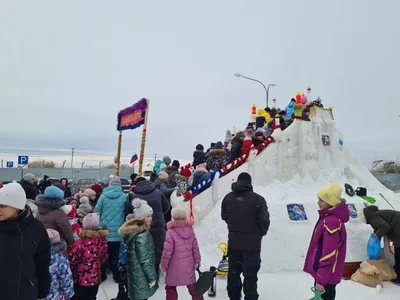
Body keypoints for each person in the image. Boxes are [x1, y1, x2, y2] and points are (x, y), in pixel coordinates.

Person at [221, 172, 270, 300]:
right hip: (252, 245)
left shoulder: (228, 198)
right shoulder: (258, 199)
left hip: (234, 243)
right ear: (250, 183)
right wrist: (259, 233)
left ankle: (234, 296)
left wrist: (235, 227)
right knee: (250, 276)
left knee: (233, 274)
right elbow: (264, 221)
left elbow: (224, 216)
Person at [0, 183, 51, 300]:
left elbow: (42, 263)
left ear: (17, 206)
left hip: (23, 292)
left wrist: (42, 291)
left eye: (3, 206)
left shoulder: (35, 228)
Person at [303, 184, 349, 300]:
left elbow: (329, 253)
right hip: (326, 274)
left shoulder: (331, 223)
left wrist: (321, 279)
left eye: (322, 200)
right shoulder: (329, 219)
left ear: (331, 203)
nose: (318, 203)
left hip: (326, 276)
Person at [118, 199, 159, 300]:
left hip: (135, 274)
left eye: (151, 215)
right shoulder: (142, 235)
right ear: (141, 217)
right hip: (141, 276)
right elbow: (145, 259)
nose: (151, 218)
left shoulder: (135, 231)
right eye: (148, 216)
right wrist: (152, 277)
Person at [130, 179, 171, 277]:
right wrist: (159, 214)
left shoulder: (134, 196)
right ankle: (155, 270)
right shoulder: (158, 193)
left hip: (141, 225)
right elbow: (167, 206)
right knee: (157, 247)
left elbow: (130, 211)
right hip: (158, 224)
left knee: (143, 247)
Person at [161, 208, 203, 300]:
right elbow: (195, 247)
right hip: (188, 265)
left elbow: (167, 251)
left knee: (170, 288)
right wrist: (197, 261)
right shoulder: (190, 229)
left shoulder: (170, 232)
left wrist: (164, 265)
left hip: (173, 267)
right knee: (194, 289)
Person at [94, 176, 127, 282]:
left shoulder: (103, 196)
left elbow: (97, 212)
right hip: (119, 231)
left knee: (103, 255)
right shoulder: (124, 196)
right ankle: (117, 276)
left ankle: (102, 275)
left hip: (105, 231)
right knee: (117, 255)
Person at [69, 213, 109, 300]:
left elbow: (73, 260)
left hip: (80, 278)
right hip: (96, 276)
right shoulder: (103, 240)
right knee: (92, 296)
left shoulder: (80, 242)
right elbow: (104, 257)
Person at [358, 205, 400, 284]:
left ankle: (399, 276)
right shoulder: (378, 214)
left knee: (399, 253)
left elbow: (385, 227)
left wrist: (377, 236)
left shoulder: (373, 217)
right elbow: (380, 227)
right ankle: (397, 270)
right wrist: (376, 236)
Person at [45, 229, 74, 300]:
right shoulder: (61, 259)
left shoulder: (34, 256)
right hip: (56, 295)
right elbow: (65, 278)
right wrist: (68, 294)